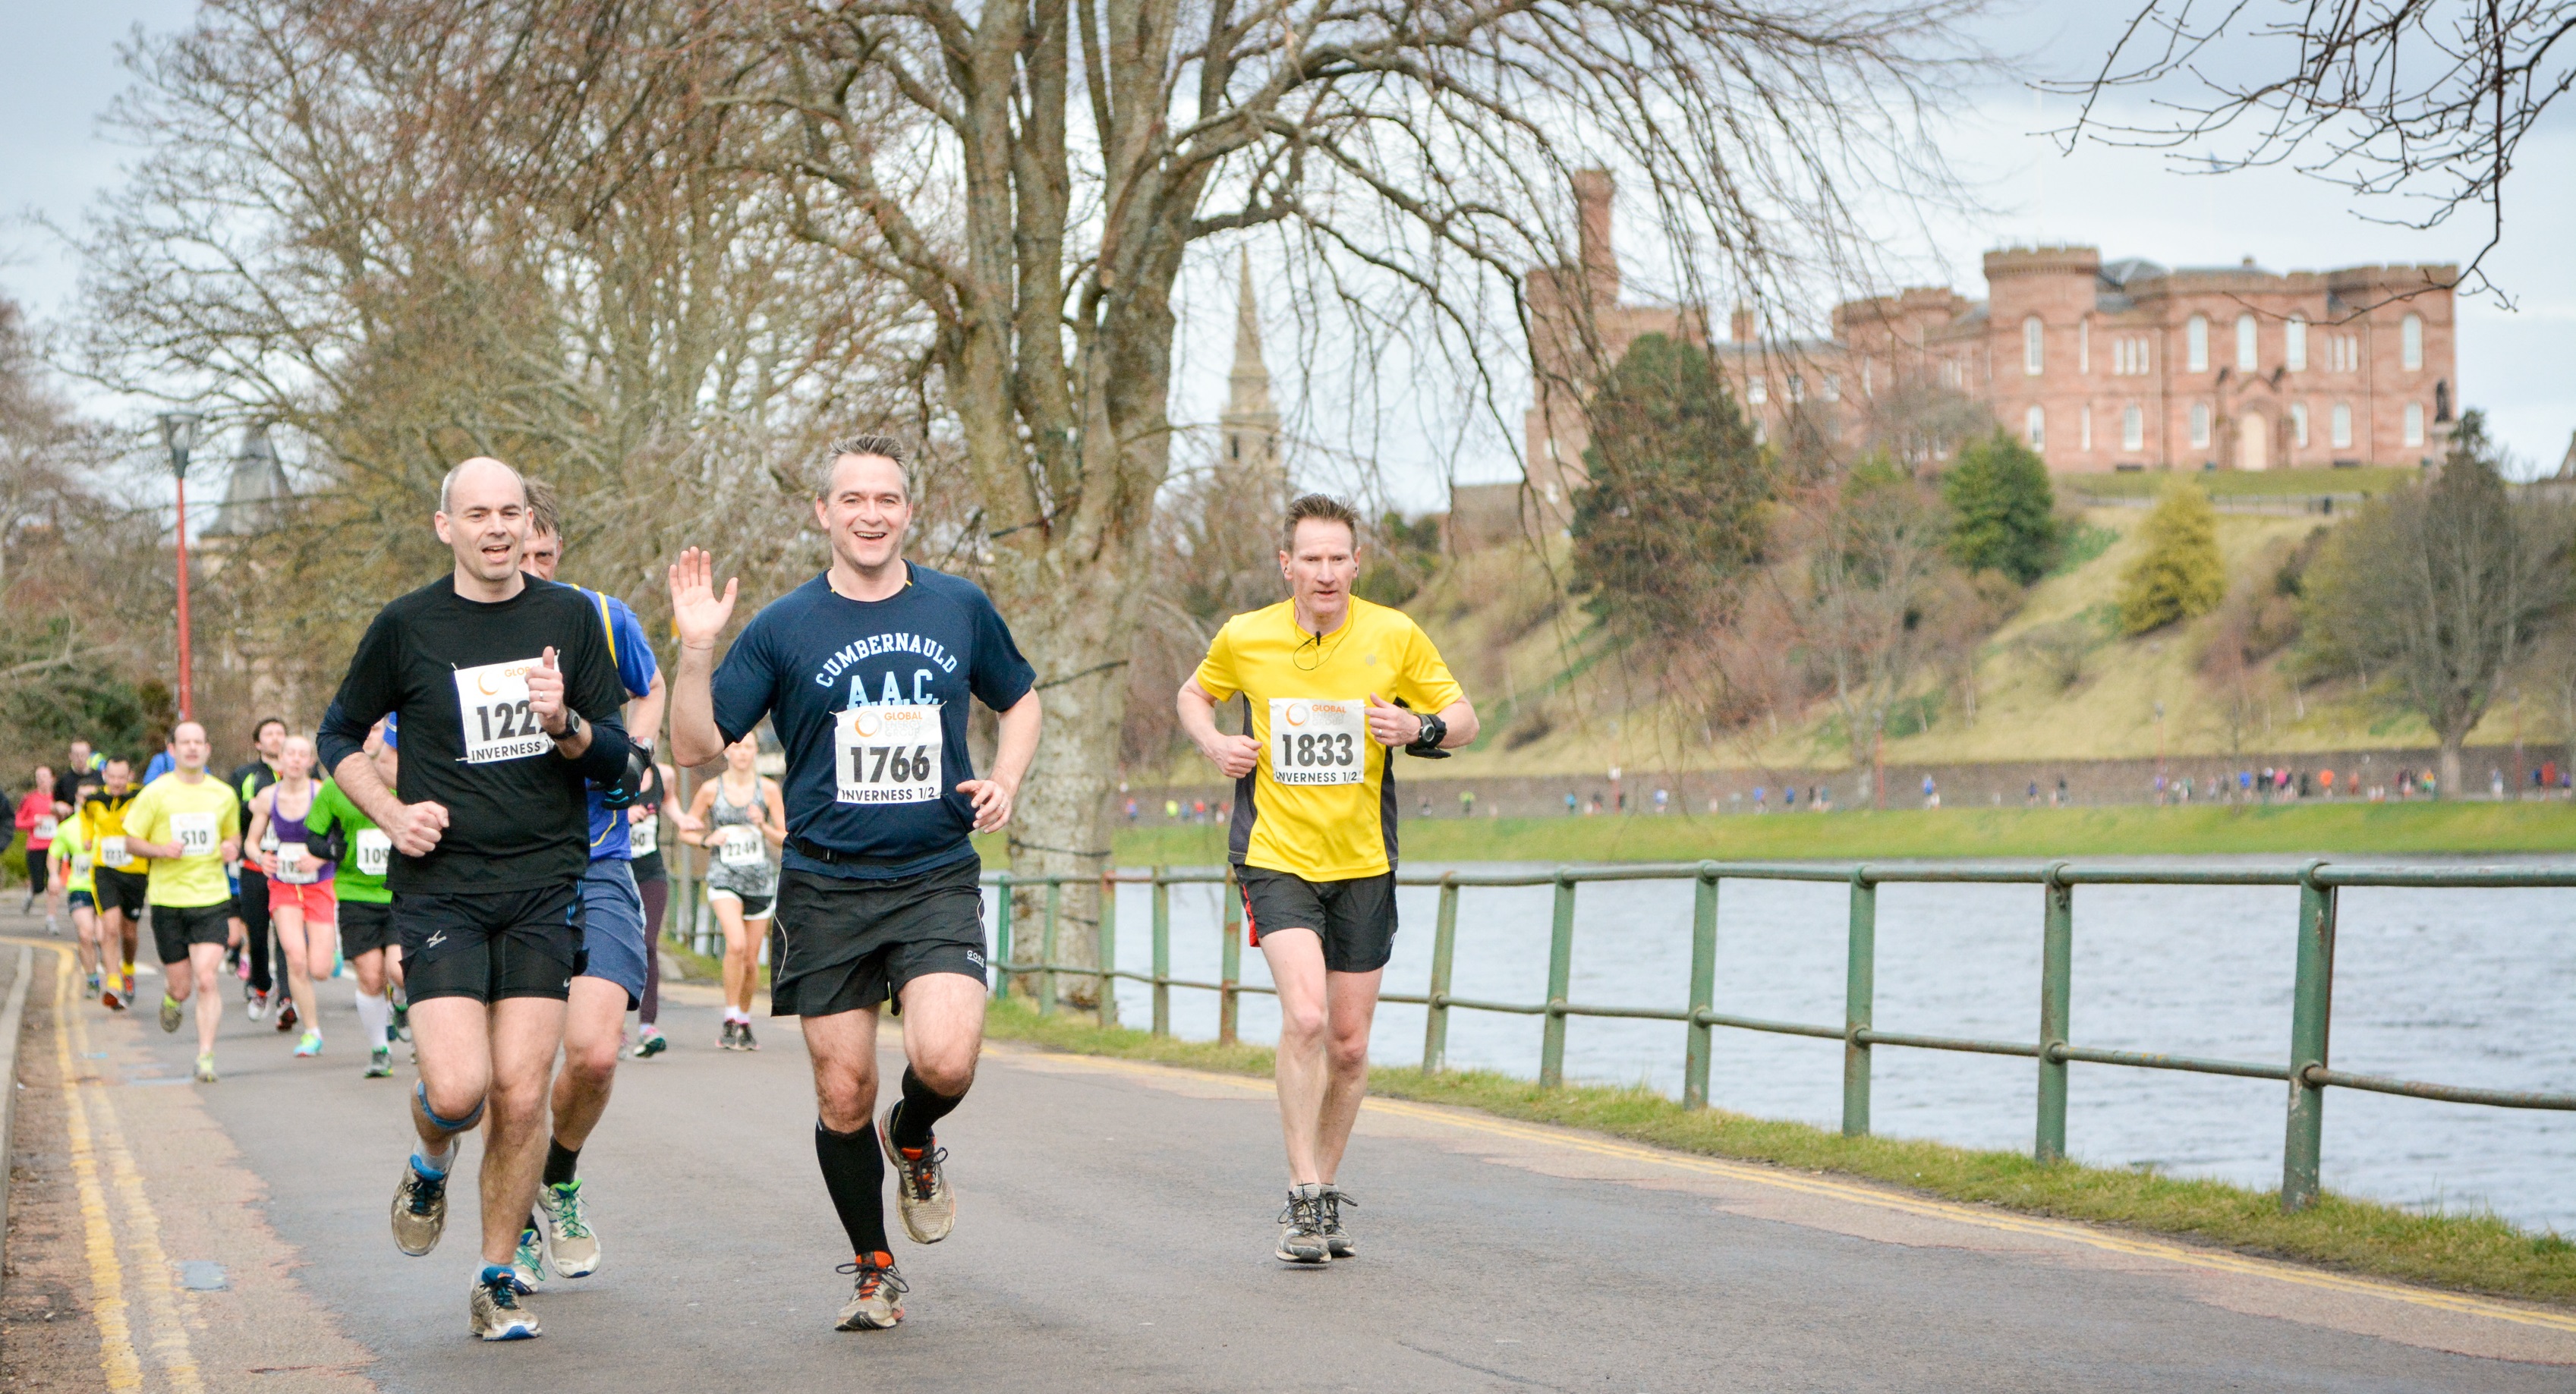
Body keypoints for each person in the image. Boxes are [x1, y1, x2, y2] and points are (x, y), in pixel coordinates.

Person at [666, 434, 1041, 1333]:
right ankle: (875, 1268)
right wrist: (694, 652)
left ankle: (912, 1136)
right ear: (824, 513)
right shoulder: (785, 627)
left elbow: (1020, 697)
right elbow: (689, 747)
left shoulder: (958, 605)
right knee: (841, 1093)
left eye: (888, 499)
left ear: (908, 512)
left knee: (945, 1058)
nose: (871, 514)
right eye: (853, 499)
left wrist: (1008, 780)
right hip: (826, 888)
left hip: (933, 875)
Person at [313, 455, 635, 1342]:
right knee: (457, 1092)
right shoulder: (407, 625)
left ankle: (496, 1277)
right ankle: (429, 1159)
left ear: (531, 525)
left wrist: (566, 723)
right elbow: (336, 732)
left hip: (542, 886)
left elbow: (618, 757)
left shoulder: (569, 617)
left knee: (523, 1096)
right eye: (479, 514)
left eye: (512, 513)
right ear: (444, 525)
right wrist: (387, 808)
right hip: (442, 890)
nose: (498, 529)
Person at [1175, 492, 1477, 1266]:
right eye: (1309, 558)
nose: (1324, 571)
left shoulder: (1393, 633)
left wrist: (1418, 729)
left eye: (1337, 557)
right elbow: (1193, 694)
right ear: (1287, 565)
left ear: (1354, 564)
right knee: (1305, 1018)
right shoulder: (1246, 637)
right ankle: (1302, 1190)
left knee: (1347, 1043)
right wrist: (1214, 742)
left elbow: (1464, 716)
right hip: (1275, 855)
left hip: (1364, 862)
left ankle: (1325, 1191)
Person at [512, 483, 664, 1289]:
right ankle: (516, 1229)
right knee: (515, 1071)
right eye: (518, 554)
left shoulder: (602, 619)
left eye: (543, 554)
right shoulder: (471, 632)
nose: (531, 568)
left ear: (557, 552)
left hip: (601, 854)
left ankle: (557, 1177)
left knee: (597, 1053)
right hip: (508, 870)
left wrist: (631, 751)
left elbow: (652, 686)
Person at [118, 722, 243, 1082]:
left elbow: (232, 835)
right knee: (183, 986)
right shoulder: (155, 794)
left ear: (207, 749)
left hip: (211, 897)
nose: (192, 748)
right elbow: (129, 841)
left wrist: (230, 847)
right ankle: (172, 999)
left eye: (198, 742)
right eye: (184, 743)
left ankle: (206, 1056)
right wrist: (160, 850)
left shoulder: (223, 795)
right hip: (168, 901)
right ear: (171, 750)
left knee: (207, 980)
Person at [308, 718, 404, 1076]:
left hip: (400, 892)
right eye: (363, 730)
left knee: (400, 971)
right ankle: (380, 1050)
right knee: (371, 977)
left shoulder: (407, 779)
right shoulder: (336, 787)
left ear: (389, 737)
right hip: (354, 894)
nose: (368, 736)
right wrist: (334, 849)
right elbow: (313, 836)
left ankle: (405, 1005)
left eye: (376, 729)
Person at [680, 732, 784, 1049]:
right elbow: (687, 829)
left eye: (748, 747)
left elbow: (784, 836)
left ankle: (743, 1019)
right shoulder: (712, 789)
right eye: (737, 746)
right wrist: (706, 840)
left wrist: (763, 826)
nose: (742, 753)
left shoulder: (768, 789)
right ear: (727, 752)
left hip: (759, 880)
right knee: (736, 945)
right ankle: (728, 1017)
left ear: (755, 752)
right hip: (724, 877)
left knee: (751, 960)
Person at [245, 735, 339, 1059]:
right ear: (281, 760)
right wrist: (261, 858)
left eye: (303, 755)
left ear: (311, 761)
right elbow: (251, 842)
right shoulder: (268, 796)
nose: (297, 760)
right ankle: (312, 1032)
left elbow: (341, 839)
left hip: (319, 884)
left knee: (321, 969)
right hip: (283, 885)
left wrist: (322, 857)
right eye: (291, 754)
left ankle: (330, 948)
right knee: (295, 958)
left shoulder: (323, 793)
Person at [623, 756, 693, 1059]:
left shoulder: (663, 773)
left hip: (651, 870)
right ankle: (612, 1026)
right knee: (620, 948)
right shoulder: (609, 769)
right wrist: (621, 814)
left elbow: (671, 802)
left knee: (648, 943)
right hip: (617, 868)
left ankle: (647, 1026)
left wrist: (681, 819)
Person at [230, 718, 288, 1022]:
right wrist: (251, 807)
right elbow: (231, 811)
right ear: (257, 743)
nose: (276, 738)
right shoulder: (245, 774)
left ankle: (288, 997)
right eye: (269, 734)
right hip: (255, 864)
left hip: (292, 868)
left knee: (288, 933)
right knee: (257, 930)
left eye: (281, 733)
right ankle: (262, 985)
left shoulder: (301, 773)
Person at [80, 758, 148, 1010]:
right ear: (105, 775)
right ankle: (113, 984)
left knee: (129, 933)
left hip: (136, 871)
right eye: (113, 777)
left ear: (129, 775)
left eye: (122, 777)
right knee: (110, 928)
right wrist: (87, 838)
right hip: (105, 870)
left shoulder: (141, 796)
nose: (118, 782)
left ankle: (128, 969)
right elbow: (86, 819)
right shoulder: (94, 799)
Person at [52, 809, 101, 995]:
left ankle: (114, 977)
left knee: (105, 937)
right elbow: (54, 853)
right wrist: (54, 876)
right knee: (86, 934)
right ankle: (92, 980)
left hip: (106, 887)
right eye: (83, 798)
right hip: (80, 888)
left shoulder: (109, 823)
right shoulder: (68, 827)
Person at [17, 766, 68, 930]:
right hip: (35, 848)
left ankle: (51, 919)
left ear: (53, 778)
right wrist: (34, 822)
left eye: (44, 776)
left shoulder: (58, 799)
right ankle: (31, 894)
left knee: (53, 884)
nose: (41, 780)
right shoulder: (30, 799)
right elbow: (18, 822)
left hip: (55, 847)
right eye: (38, 776)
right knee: (39, 885)